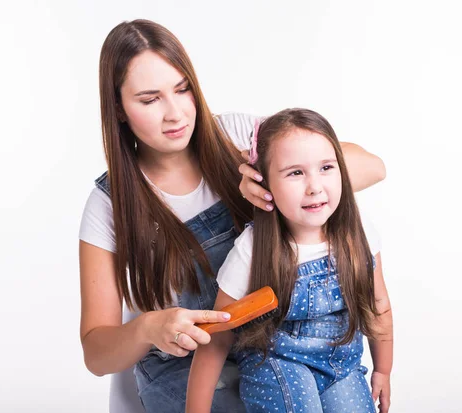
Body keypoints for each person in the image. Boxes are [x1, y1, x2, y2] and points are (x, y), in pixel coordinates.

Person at [78, 20, 387, 413]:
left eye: (182, 89)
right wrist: (148, 328)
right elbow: (96, 354)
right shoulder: (109, 204)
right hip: (182, 369)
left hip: (269, 348)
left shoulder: (237, 137)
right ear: (119, 109)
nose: (175, 114)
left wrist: (275, 183)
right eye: (150, 99)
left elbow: (373, 168)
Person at [186, 108, 393, 413]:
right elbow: (217, 337)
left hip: (340, 363)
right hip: (277, 363)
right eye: (296, 173)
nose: (314, 186)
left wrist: (382, 370)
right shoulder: (253, 248)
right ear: (263, 184)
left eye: (326, 167)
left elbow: (379, 305)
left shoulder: (357, 232)